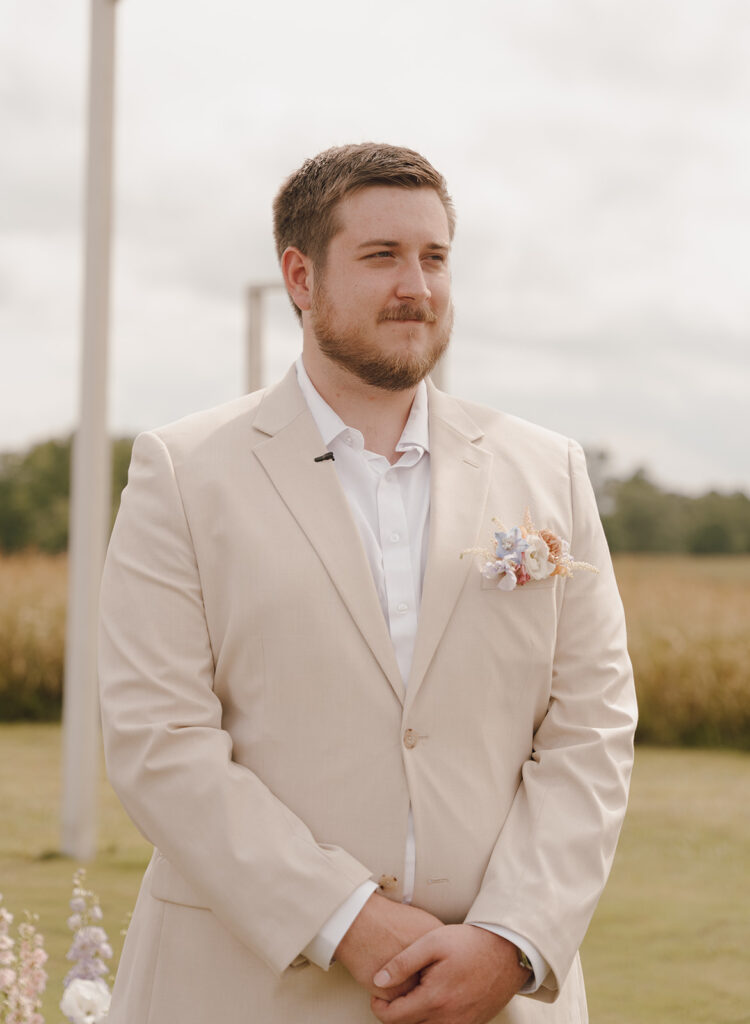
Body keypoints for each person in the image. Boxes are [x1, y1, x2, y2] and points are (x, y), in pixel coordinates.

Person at [98, 142, 637, 1024]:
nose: (416, 287)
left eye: (434, 258)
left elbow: (592, 730)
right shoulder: (184, 473)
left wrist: (513, 937)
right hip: (244, 992)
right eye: (382, 256)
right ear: (300, 277)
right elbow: (160, 740)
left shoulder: (551, 471)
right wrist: (343, 918)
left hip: (498, 994)